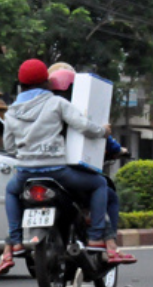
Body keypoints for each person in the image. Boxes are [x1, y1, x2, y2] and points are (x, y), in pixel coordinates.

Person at [0, 59, 133, 274]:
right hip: (56, 172)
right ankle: (98, 238)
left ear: (20, 84)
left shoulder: (12, 111)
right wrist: (103, 132)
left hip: (25, 174)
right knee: (98, 183)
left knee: (11, 191)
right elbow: (83, 126)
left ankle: (15, 241)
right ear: (46, 82)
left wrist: (28, 153)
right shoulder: (56, 104)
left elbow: (9, 146)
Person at [46, 64, 134, 260]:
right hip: (67, 173)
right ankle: (104, 240)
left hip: (36, 171)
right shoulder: (73, 109)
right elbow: (97, 131)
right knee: (101, 187)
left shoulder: (40, 109)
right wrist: (118, 149)